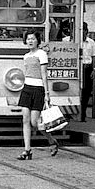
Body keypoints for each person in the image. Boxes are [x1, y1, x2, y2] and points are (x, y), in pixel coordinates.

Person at [16, 31, 59, 160]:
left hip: (38, 89)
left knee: (35, 123)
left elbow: (44, 74)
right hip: (26, 88)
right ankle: (27, 150)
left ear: (37, 41)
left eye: (33, 39)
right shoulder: (25, 56)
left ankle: (52, 141)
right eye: (28, 39)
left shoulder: (42, 54)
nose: (30, 41)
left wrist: (47, 93)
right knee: (25, 119)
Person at [79, 22, 95, 122]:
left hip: (87, 69)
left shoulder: (91, 42)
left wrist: (93, 70)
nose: (83, 32)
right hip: (76, 68)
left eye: (84, 30)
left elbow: (94, 57)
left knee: (86, 92)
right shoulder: (69, 40)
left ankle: (83, 113)